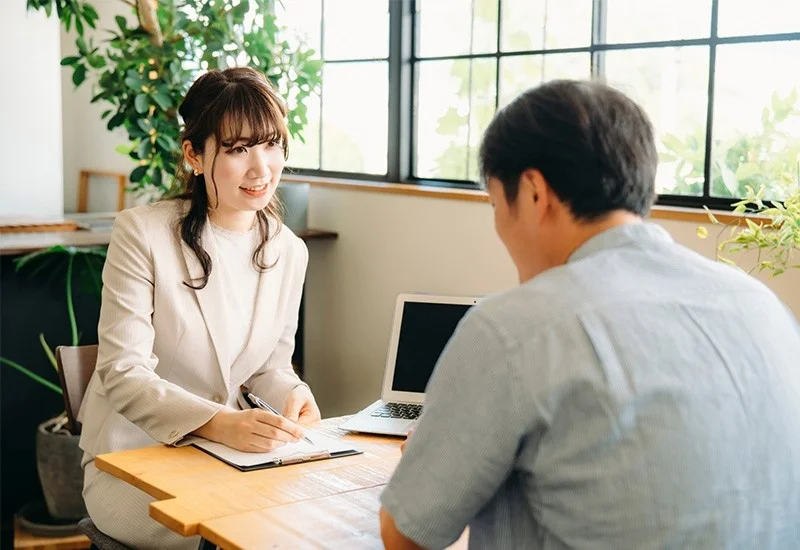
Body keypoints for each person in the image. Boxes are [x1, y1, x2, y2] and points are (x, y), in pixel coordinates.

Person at [379, 80, 800, 549]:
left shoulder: (514, 329)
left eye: (497, 204)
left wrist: (430, 459)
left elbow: (407, 537)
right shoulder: (762, 305)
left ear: (535, 193)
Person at [78, 67, 321, 549]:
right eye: (236, 150)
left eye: (271, 144)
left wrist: (294, 394)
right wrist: (219, 422)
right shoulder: (141, 234)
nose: (261, 169)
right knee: (245, 533)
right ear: (194, 154)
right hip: (133, 461)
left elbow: (270, 366)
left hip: (227, 459)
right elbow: (123, 373)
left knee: (308, 522)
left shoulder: (290, 250)